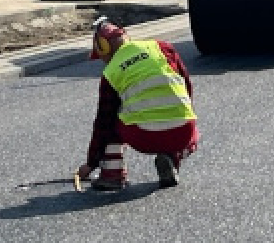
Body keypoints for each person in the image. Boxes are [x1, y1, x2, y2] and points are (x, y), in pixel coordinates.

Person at [77, 17, 200, 191]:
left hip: (142, 137)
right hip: (181, 134)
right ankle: (172, 157)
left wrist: (91, 163)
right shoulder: (163, 48)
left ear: (103, 47)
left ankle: (112, 175)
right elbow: (186, 86)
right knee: (189, 122)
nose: (102, 61)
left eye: (101, 56)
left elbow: (103, 123)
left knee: (111, 117)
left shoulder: (111, 72)